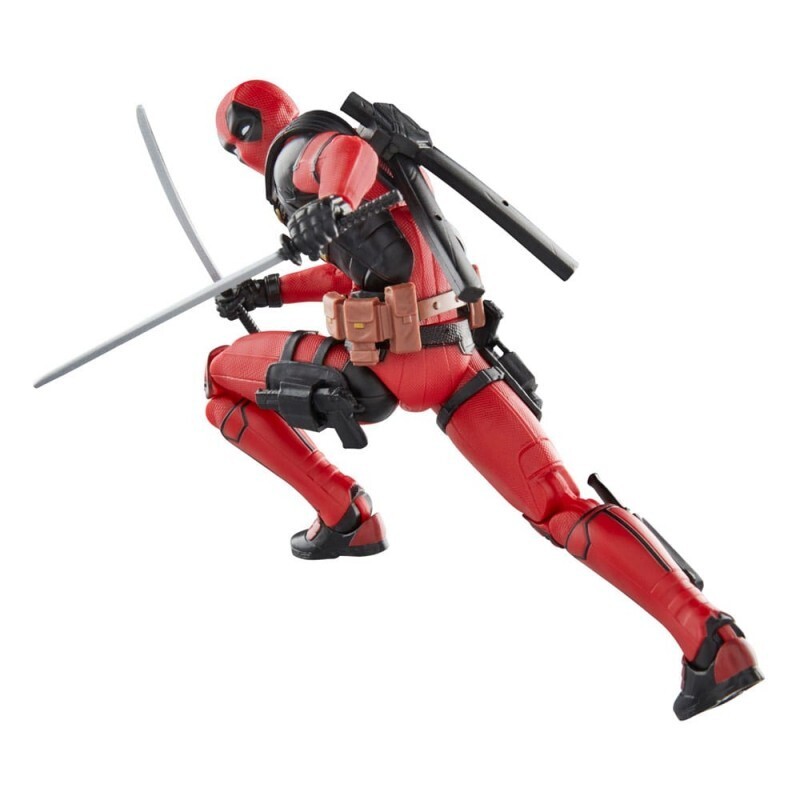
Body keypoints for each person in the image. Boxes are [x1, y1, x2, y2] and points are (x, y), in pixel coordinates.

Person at [206, 79, 762, 719]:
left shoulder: (296, 155)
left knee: (219, 378)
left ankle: (345, 514)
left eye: (232, 144)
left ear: (249, 131)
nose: (238, 156)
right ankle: (709, 638)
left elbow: (342, 158)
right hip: (457, 357)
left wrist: (329, 199)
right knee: (559, 506)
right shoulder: (376, 171)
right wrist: (268, 293)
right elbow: (349, 266)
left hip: (384, 369)